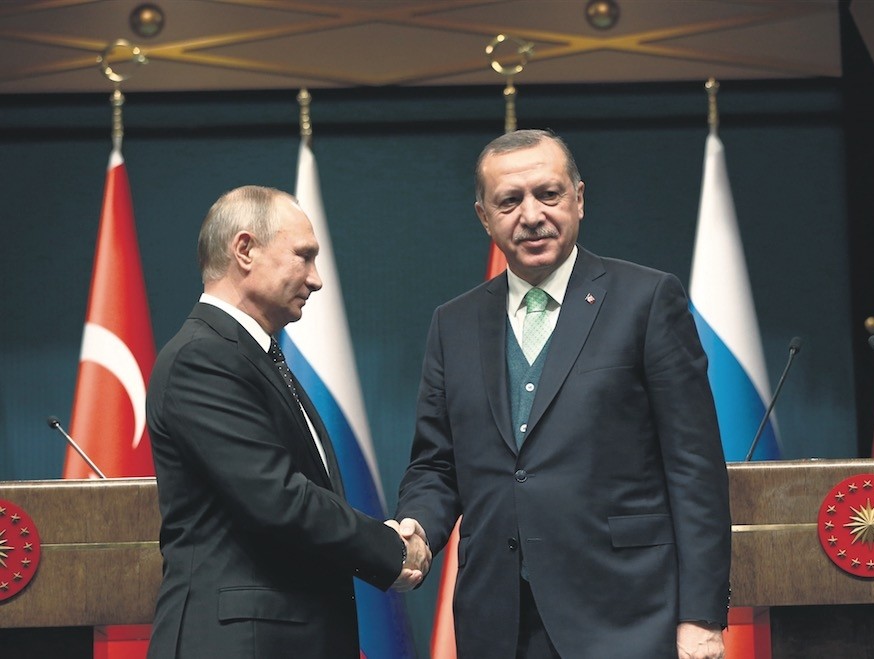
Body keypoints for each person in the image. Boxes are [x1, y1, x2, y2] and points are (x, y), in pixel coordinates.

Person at [395, 130, 731, 659]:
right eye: (510, 201)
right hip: (498, 621)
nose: (531, 215)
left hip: (627, 616)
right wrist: (415, 528)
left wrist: (701, 616)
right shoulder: (452, 323)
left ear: (579, 197)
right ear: (484, 217)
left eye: (548, 194)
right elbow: (437, 466)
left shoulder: (646, 300)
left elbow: (695, 469)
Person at [146, 185, 429, 658]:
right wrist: (389, 548)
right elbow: (275, 497)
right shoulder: (204, 358)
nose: (316, 279)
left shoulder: (252, 355)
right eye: (303, 256)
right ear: (245, 250)